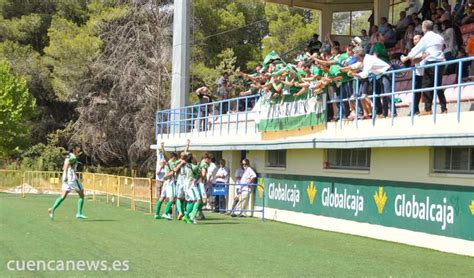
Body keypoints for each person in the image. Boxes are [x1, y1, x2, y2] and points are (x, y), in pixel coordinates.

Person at [401, 20, 448, 114]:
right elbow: (444, 47)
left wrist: (406, 58)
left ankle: (428, 109)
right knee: (438, 85)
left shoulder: (426, 38)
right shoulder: (439, 36)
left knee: (426, 85)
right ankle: (444, 108)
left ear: (424, 28)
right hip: (441, 62)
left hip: (431, 62)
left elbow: (416, 49)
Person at [48, 144, 87, 220]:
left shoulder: (68, 156)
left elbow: (64, 165)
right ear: (73, 149)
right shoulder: (72, 156)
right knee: (82, 194)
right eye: (76, 148)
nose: (77, 150)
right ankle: (79, 213)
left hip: (67, 178)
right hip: (72, 178)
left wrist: (64, 175)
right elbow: (66, 165)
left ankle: (52, 209)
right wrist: (66, 174)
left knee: (63, 196)